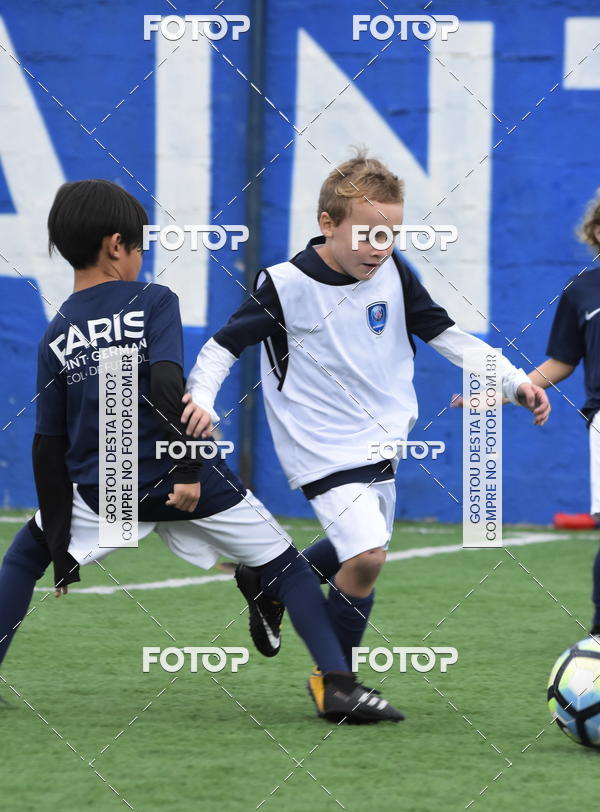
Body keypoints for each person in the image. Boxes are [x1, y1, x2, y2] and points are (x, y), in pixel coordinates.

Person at [0, 178, 403, 724]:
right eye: (141, 245)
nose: (143, 256)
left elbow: (48, 445)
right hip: (188, 482)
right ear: (117, 246)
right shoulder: (153, 301)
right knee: (289, 570)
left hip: (106, 485)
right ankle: (336, 686)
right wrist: (187, 469)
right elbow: (171, 388)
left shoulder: (56, 332)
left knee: (23, 558)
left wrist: (60, 542)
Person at [181, 150, 550, 708]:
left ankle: (270, 582)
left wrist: (514, 383)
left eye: (392, 234)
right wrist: (202, 401)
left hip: (382, 442)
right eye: (368, 233)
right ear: (327, 224)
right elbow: (220, 347)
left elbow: (447, 335)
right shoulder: (285, 285)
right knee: (368, 556)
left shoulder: (397, 273)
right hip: (318, 445)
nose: (381, 247)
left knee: (360, 548)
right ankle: (336, 684)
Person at [524, 189, 600, 634]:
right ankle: (598, 634)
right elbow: (561, 362)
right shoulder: (581, 290)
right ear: (595, 232)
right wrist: (509, 389)